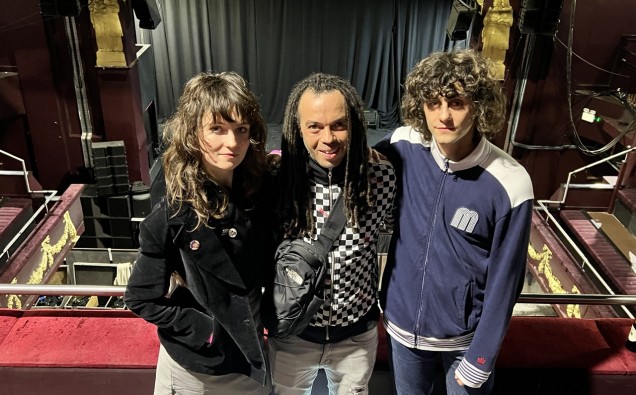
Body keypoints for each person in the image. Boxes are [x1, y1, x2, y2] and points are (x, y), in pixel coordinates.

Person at [374, 49, 534, 394]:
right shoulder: (404, 144)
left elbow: (506, 283)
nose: (443, 116)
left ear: (479, 106)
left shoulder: (510, 182)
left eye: (457, 102)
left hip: (464, 343)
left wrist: (482, 356)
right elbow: (354, 165)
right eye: (433, 103)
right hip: (402, 330)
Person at [124, 71, 275, 395]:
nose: (232, 143)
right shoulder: (170, 216)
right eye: (217, 129)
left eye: (241, 130)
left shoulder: (263, 195)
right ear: (193, 132)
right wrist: (204, 327)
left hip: (248, 365)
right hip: (191, 372)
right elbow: (139, 297)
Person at [266, 73, 396, 395]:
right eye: (314, 127)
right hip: (292, 336)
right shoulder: (274, 178)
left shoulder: (381, 176)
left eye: (339, 125)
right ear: (298, 128)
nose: (328, 138)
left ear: (354, 124)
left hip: (356, 337)